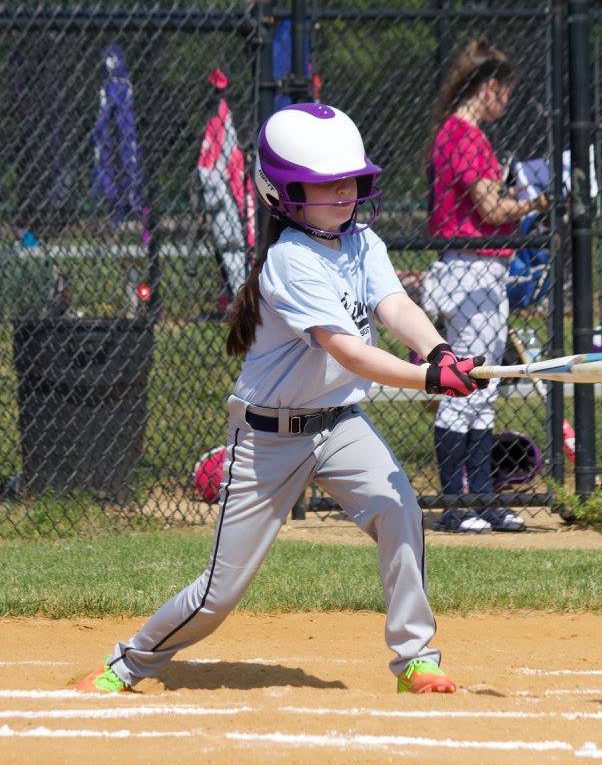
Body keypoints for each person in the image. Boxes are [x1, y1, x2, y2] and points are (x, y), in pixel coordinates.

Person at [77, 102, 490, 696]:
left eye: (350, 180)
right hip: (268, 436)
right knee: (220, 593)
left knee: (400, 507)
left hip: (340, 423)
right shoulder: (291, 261)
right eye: (327, 186)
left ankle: (416, 658)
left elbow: (395, 306)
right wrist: (427, 380)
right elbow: (346, 351)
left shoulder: (362, 241)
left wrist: (439, 350)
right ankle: (130, 661)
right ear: (285, 194)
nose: (345, 194)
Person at [422, 38, 548, 534]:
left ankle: (483, 498)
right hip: (471, 268)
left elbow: (488, 201)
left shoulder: (463, 134)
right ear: (490, 88)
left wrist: (514, 196)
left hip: (484, 269)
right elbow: (492, 211)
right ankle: (456, 503)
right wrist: (536, 204)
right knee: (466, 388)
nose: (507, 102)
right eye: (505, 93)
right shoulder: (464, 135)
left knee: (483, 388)